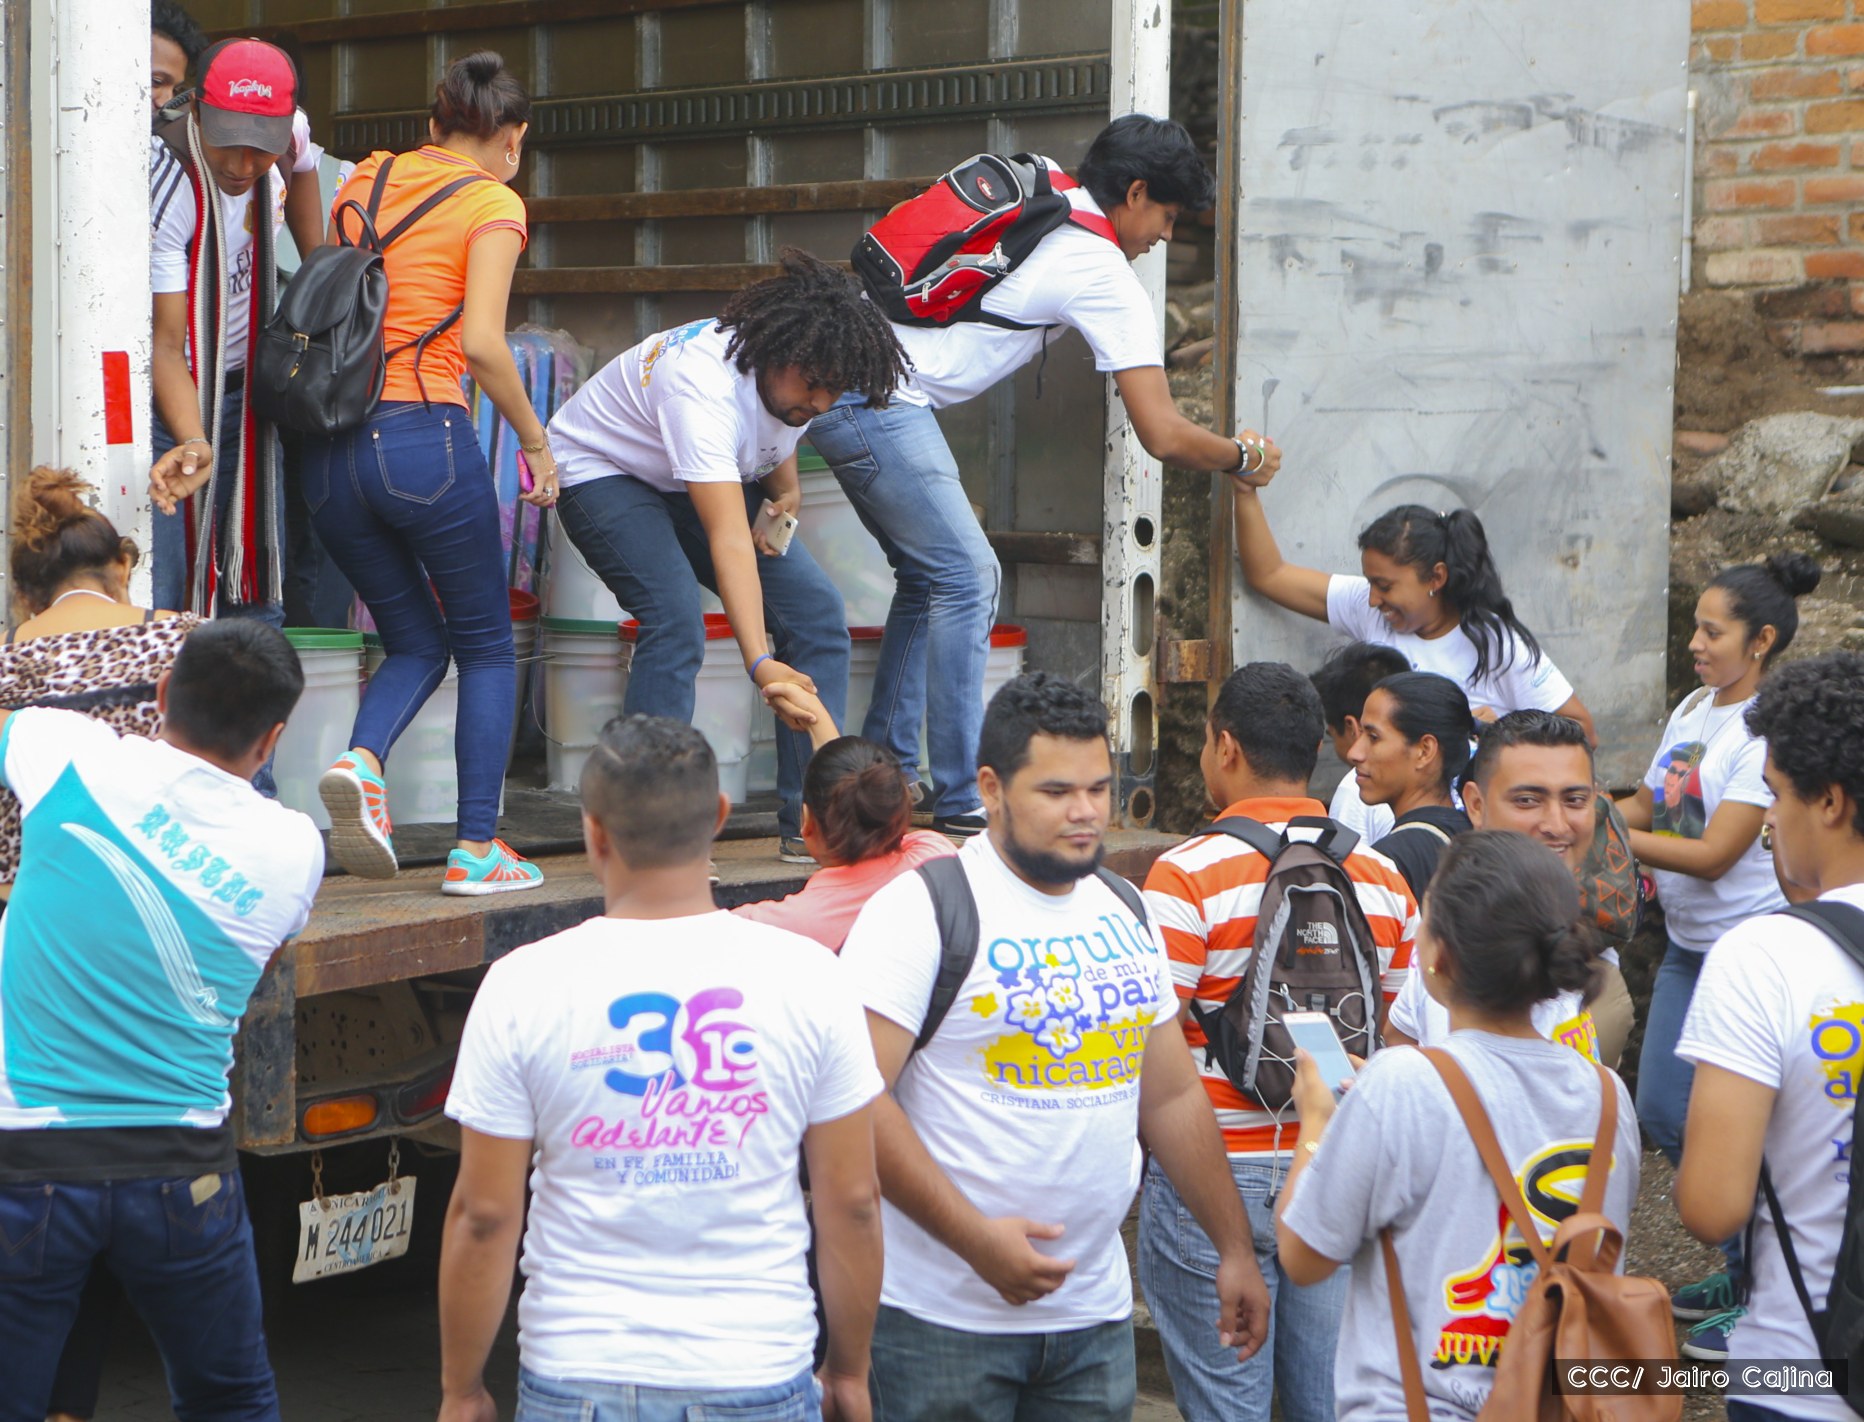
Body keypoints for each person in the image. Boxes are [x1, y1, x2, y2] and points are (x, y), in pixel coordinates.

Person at [808, 114, 1282, 840]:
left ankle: (890, 772)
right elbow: (1161, 432)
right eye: (1167, 215)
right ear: (1135, 192)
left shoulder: (1046, 194)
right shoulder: (1101, 270)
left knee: (932, 577)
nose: (1165, 235)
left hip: (841, 378)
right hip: (878, 395)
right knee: (969, 575)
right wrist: (1242, 457)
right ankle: (962, 798)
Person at [839, 671, 1269, 1422]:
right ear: (991, 789)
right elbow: (851, 1102)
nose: (1086, 812)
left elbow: (1170, 1095)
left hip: (1092, 1320)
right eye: (1057, 791)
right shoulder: (921, 912)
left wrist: (1233, 1247)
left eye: (1099, 789)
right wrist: (976, 1242)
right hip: (939, 1323)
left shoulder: (1125, 907)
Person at [437, 714, 883, 1422]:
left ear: (593, 833)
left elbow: (485, 1215)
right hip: (756, 1369)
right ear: (719, 817)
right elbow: (852, 1200)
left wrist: (462, 1390)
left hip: (577, 1375)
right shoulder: (810, 977)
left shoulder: (522, 983)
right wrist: (849, 1372)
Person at [0, 620, 325, 1422]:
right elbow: (260, 963)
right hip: (184, 1172)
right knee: (229, 1399)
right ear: (273, 738)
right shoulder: (292, 848)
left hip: (27, 1164)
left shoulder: (68, 755)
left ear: (164, 693)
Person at [550, 249, 911, 865]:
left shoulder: (800, 371)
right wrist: (760, 662)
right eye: (814, 387)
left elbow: (776, 431)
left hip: (687, 472)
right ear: (774, 355)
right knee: (674, 620)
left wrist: (787, 492)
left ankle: (812, 824)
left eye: (834, 391)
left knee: (817, 614)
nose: (822, 404)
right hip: (603, 468)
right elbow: (728, 540)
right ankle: (649, 838)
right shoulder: (702, 386)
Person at [295, 52, 556, 897]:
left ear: (433, 124)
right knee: (485, 646)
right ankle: (477, 847)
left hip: (329, 450)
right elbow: (482, 344)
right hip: (422, 441)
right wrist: (535, 442)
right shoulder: (493, 204)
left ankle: (361, 761)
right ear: (512, 140)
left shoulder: (364, 180)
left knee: (414, 639)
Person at [1275, 831, 1640, 1422]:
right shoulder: (1609, 1097)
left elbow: (1302, 1257)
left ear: (1437, 956)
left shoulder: (1401, 1085)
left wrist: (1317, 1121)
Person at [1138, 661, 1417, 1422]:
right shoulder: (1383, 877)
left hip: (1214, 1176)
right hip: (1336, 1165)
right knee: (1328, 1401)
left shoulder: (1184, 876)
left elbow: (1151, 1045)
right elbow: (1396, 1040)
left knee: (1228, 1405)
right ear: (1316, 751)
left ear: (1225, 747)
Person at [1619, 552, 1820, 1357]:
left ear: (1761, 640)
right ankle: (1744, 1268)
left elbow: (1713, 855)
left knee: (1740, 1130)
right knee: (1663, 1108)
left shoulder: (1762, 729)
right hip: (1688, 946)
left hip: (1748, 949)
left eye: (1712, 632)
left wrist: (1596, 833)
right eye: (1696, 629)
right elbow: (1650, 803)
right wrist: (1569, 805)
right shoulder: (1696, 707)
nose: (1695, 644)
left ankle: (1766, 1285)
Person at [1676, 651, 1864, 1422]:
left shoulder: (1764, 956)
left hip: (1802, 1374)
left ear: (1830, 802)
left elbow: (1710, 1207)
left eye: (1777, 794)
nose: (1770, 820)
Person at [147, 36, 324, 623]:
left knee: (256, 600)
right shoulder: (171, 186)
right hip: (176, 403)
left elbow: (302, 166)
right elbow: (165, 347)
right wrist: (193, 441)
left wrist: (319, 276)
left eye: (260, 151)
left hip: (247, 400)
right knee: (171, 596)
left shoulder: (291, 132)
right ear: (198, 111)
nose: (243, 167)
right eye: (229, 144)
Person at [1234, 494, 1594, 739]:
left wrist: (1499, 731)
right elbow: (1270, 575)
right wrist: (1245, 489)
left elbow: (1582, 730)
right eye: (1369, 583)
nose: (1373, 599)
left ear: (1436, 578)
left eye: (1385, 586)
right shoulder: (1368, 607)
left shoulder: (1495, 645)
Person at [1384, 711, 1611, 1062]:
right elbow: (1401, 1032)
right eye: (1528, 800)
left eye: (1574, 800)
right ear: (1476, 805)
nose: (1556, 824)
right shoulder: (1451, 924)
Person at [735, 683, 957, 950]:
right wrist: (815, 713)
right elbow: (857, 789)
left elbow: (700, 929)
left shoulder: (785, 924)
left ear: (806, 822)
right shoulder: (935, 856)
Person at [1348, 671, 1475, 901]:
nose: (1354, 753)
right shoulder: (1476, 839)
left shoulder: (1387, 864)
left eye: (1373, 737)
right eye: (1360, 734)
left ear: (1424, 751)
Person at [1310, 641, 1410, 843]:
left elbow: (1345, 862)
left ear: (1351, 727)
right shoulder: (1440, 767)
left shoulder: (1355, 789)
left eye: (1331, 734)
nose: (1352, 754)